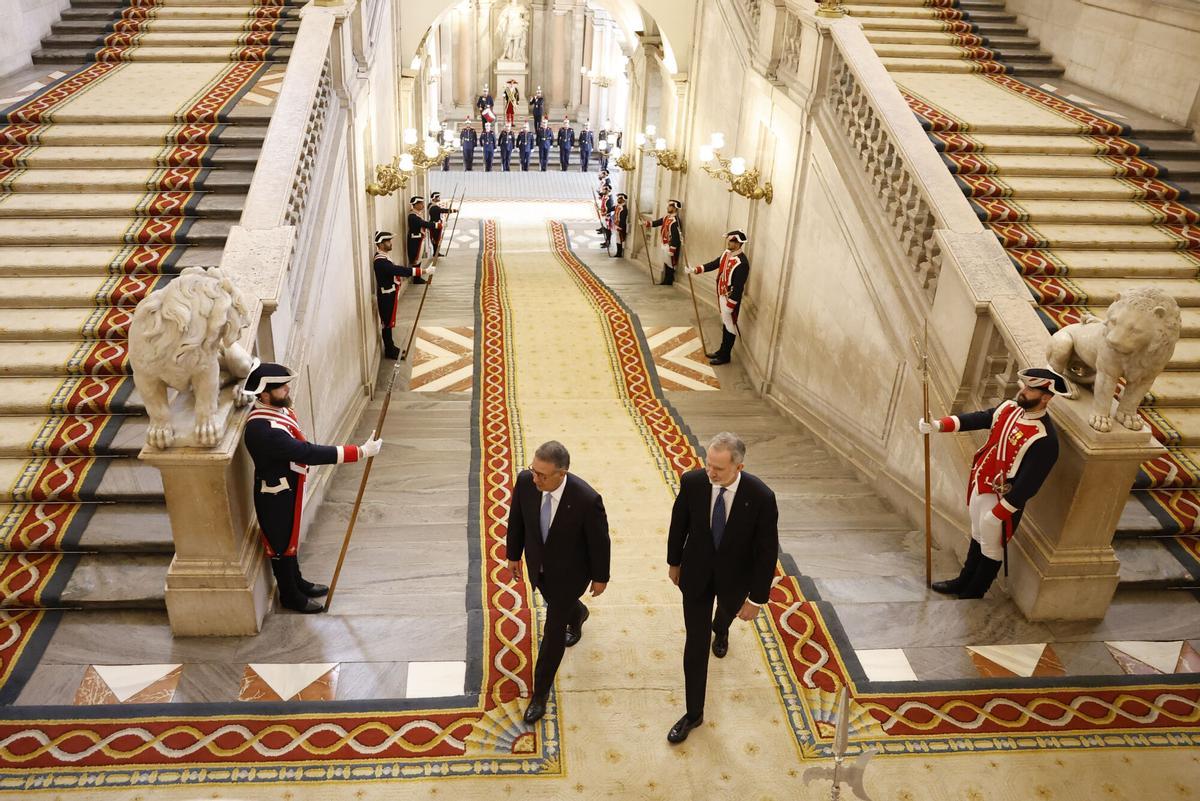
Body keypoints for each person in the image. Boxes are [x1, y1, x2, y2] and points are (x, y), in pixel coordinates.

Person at [243, 362, 383, 613]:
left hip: (289, 487)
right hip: (275, 495)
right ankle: (290, 596)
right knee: (281, 546)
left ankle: (297, 581)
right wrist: (359, 452)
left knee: (291, 541)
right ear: (264, 394)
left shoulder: (278, 411)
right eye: (281, 387)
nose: (287, 389)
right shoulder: (263, 429)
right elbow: (306, 452)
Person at [665, 432, 778, 743]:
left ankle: (723, 627)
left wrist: (756, 599)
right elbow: (680, 523)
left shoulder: (761, 497)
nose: (710, 473)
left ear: (738, 467)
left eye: (718, 469)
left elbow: (767, 551)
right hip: (697, 575)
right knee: (696, 643)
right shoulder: (693, 482)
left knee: (725, 614)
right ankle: (694, 714)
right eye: (708, 464)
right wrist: (674, 562)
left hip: (735, 580)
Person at [918, 368, 1065, 599]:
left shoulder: (1045, 438)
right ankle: (963, 580)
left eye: (1030, 389)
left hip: (1001, 500)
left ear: (1046, 397)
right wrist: (939, 425)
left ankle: (975, 591)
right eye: (1024, 386)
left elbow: (1028, 486)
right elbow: (981, 418)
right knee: (976, 534)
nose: (1022, 391)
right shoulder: (1009, 408)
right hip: (980, 482)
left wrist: (999, 513)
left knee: (991, 545)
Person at [506, 441, 611, 725]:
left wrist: (601, 576)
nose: (535, 478)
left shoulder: (586, 499)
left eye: (542, 474)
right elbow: (517, 519)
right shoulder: (526, 482)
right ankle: (578, 614)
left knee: (552, 633)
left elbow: (599, 542)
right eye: (533, 470)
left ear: (561, 473)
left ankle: (540, 694)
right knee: (559, 607)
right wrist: (513, 555)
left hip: (570, 574)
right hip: (538, 568)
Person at [687, 230, 749, 366]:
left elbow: (738, 287)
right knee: (725, 323)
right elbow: (714, 264)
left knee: (730, 325)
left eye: (732, 241)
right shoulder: (726, 254)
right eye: (729, 240)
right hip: (721, 295)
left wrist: (731, 305)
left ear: (739, 244)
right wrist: (695, 270)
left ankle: (725, 355)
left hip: (730, 299)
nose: (729, 242)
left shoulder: (742, 262)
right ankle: (721, 350)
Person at [372, 231, 433, 359]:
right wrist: (423, 271)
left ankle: (391, 347)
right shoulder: (380, 262)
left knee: (389, 323)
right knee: (387, 324)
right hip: (386, 296)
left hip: (389, 294)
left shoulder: (383, 257)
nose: (390, 243)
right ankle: (390, 350)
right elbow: (398, 270)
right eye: (388, 241)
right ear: (381, 244)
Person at [645, 198, 683, 285]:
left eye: (670, 206)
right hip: (664, 244)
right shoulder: (667, 217)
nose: (668, 208)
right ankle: (666, 279)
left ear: (674, 208)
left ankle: (669, 279)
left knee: (670, 263)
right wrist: (646, 223)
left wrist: (672, 249)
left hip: (670, 246)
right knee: (666, 261)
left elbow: (676, 237)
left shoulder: (675, 221)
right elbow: (657, 222)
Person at [407, 195, 439, 286]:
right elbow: (423, 224)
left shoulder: (417, 214)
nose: (422, 205)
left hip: (419, 239)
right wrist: (436, 225)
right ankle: (416, 279)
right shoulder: (413, 216)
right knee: (416, 259)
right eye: (420, 203)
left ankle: (418, 277)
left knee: (419, 258)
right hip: (415, 241)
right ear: (415, 205)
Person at [427, 191, 456, 257]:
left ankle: (436, 252)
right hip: (435, 225)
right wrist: (453, 210)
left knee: (437, 239)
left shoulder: (430, 205)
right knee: (436, 239)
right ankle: (435, 253)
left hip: (435, 223)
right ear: (434, 198)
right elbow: (442, 210)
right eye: (437, 197)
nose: (439, 198)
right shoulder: (434, 207)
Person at [612, 192, 628, 258]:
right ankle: (618, 252)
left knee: (619, 240)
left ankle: (619, 253)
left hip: (620, 227)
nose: (618, 200)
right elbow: (612, 209)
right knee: (617, 239)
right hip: (616, 225)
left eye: (620, 199)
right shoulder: (618, 206)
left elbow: (623, 219)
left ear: (623, 200)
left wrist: (620, 227)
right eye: (618, 199)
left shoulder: (624, 209)